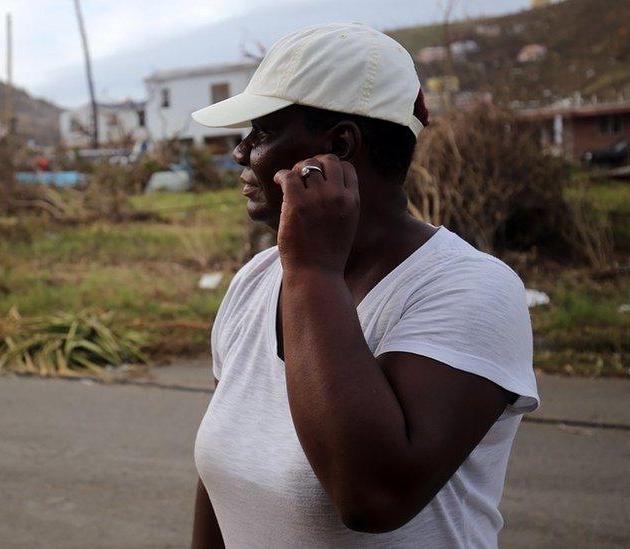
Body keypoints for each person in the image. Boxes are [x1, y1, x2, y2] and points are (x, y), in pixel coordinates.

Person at [189, 23, 538, 548]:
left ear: (338, 148)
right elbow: (217, 489)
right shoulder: (256, 281)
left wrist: (312, 270)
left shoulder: (470, 291)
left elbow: (372, 495)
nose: (240, 153)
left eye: (261, 132)